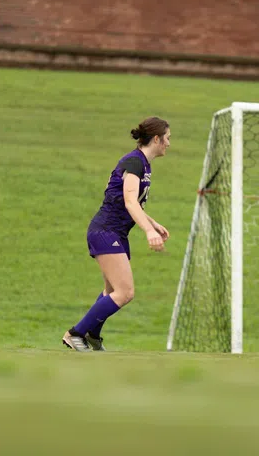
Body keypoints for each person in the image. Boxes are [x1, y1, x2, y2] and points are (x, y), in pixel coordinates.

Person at [63, 117, 171, 352]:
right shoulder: (134, 163)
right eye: (167, 138)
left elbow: (129, 202)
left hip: (115, 232)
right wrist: (148, 231)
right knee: (125, 292)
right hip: (105, 231)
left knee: (111, 292)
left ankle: (92, 335)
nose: (169, 144)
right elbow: (131, 202)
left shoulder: (142, 164)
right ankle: (75, 334)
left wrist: (154, 223)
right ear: (156, 138)